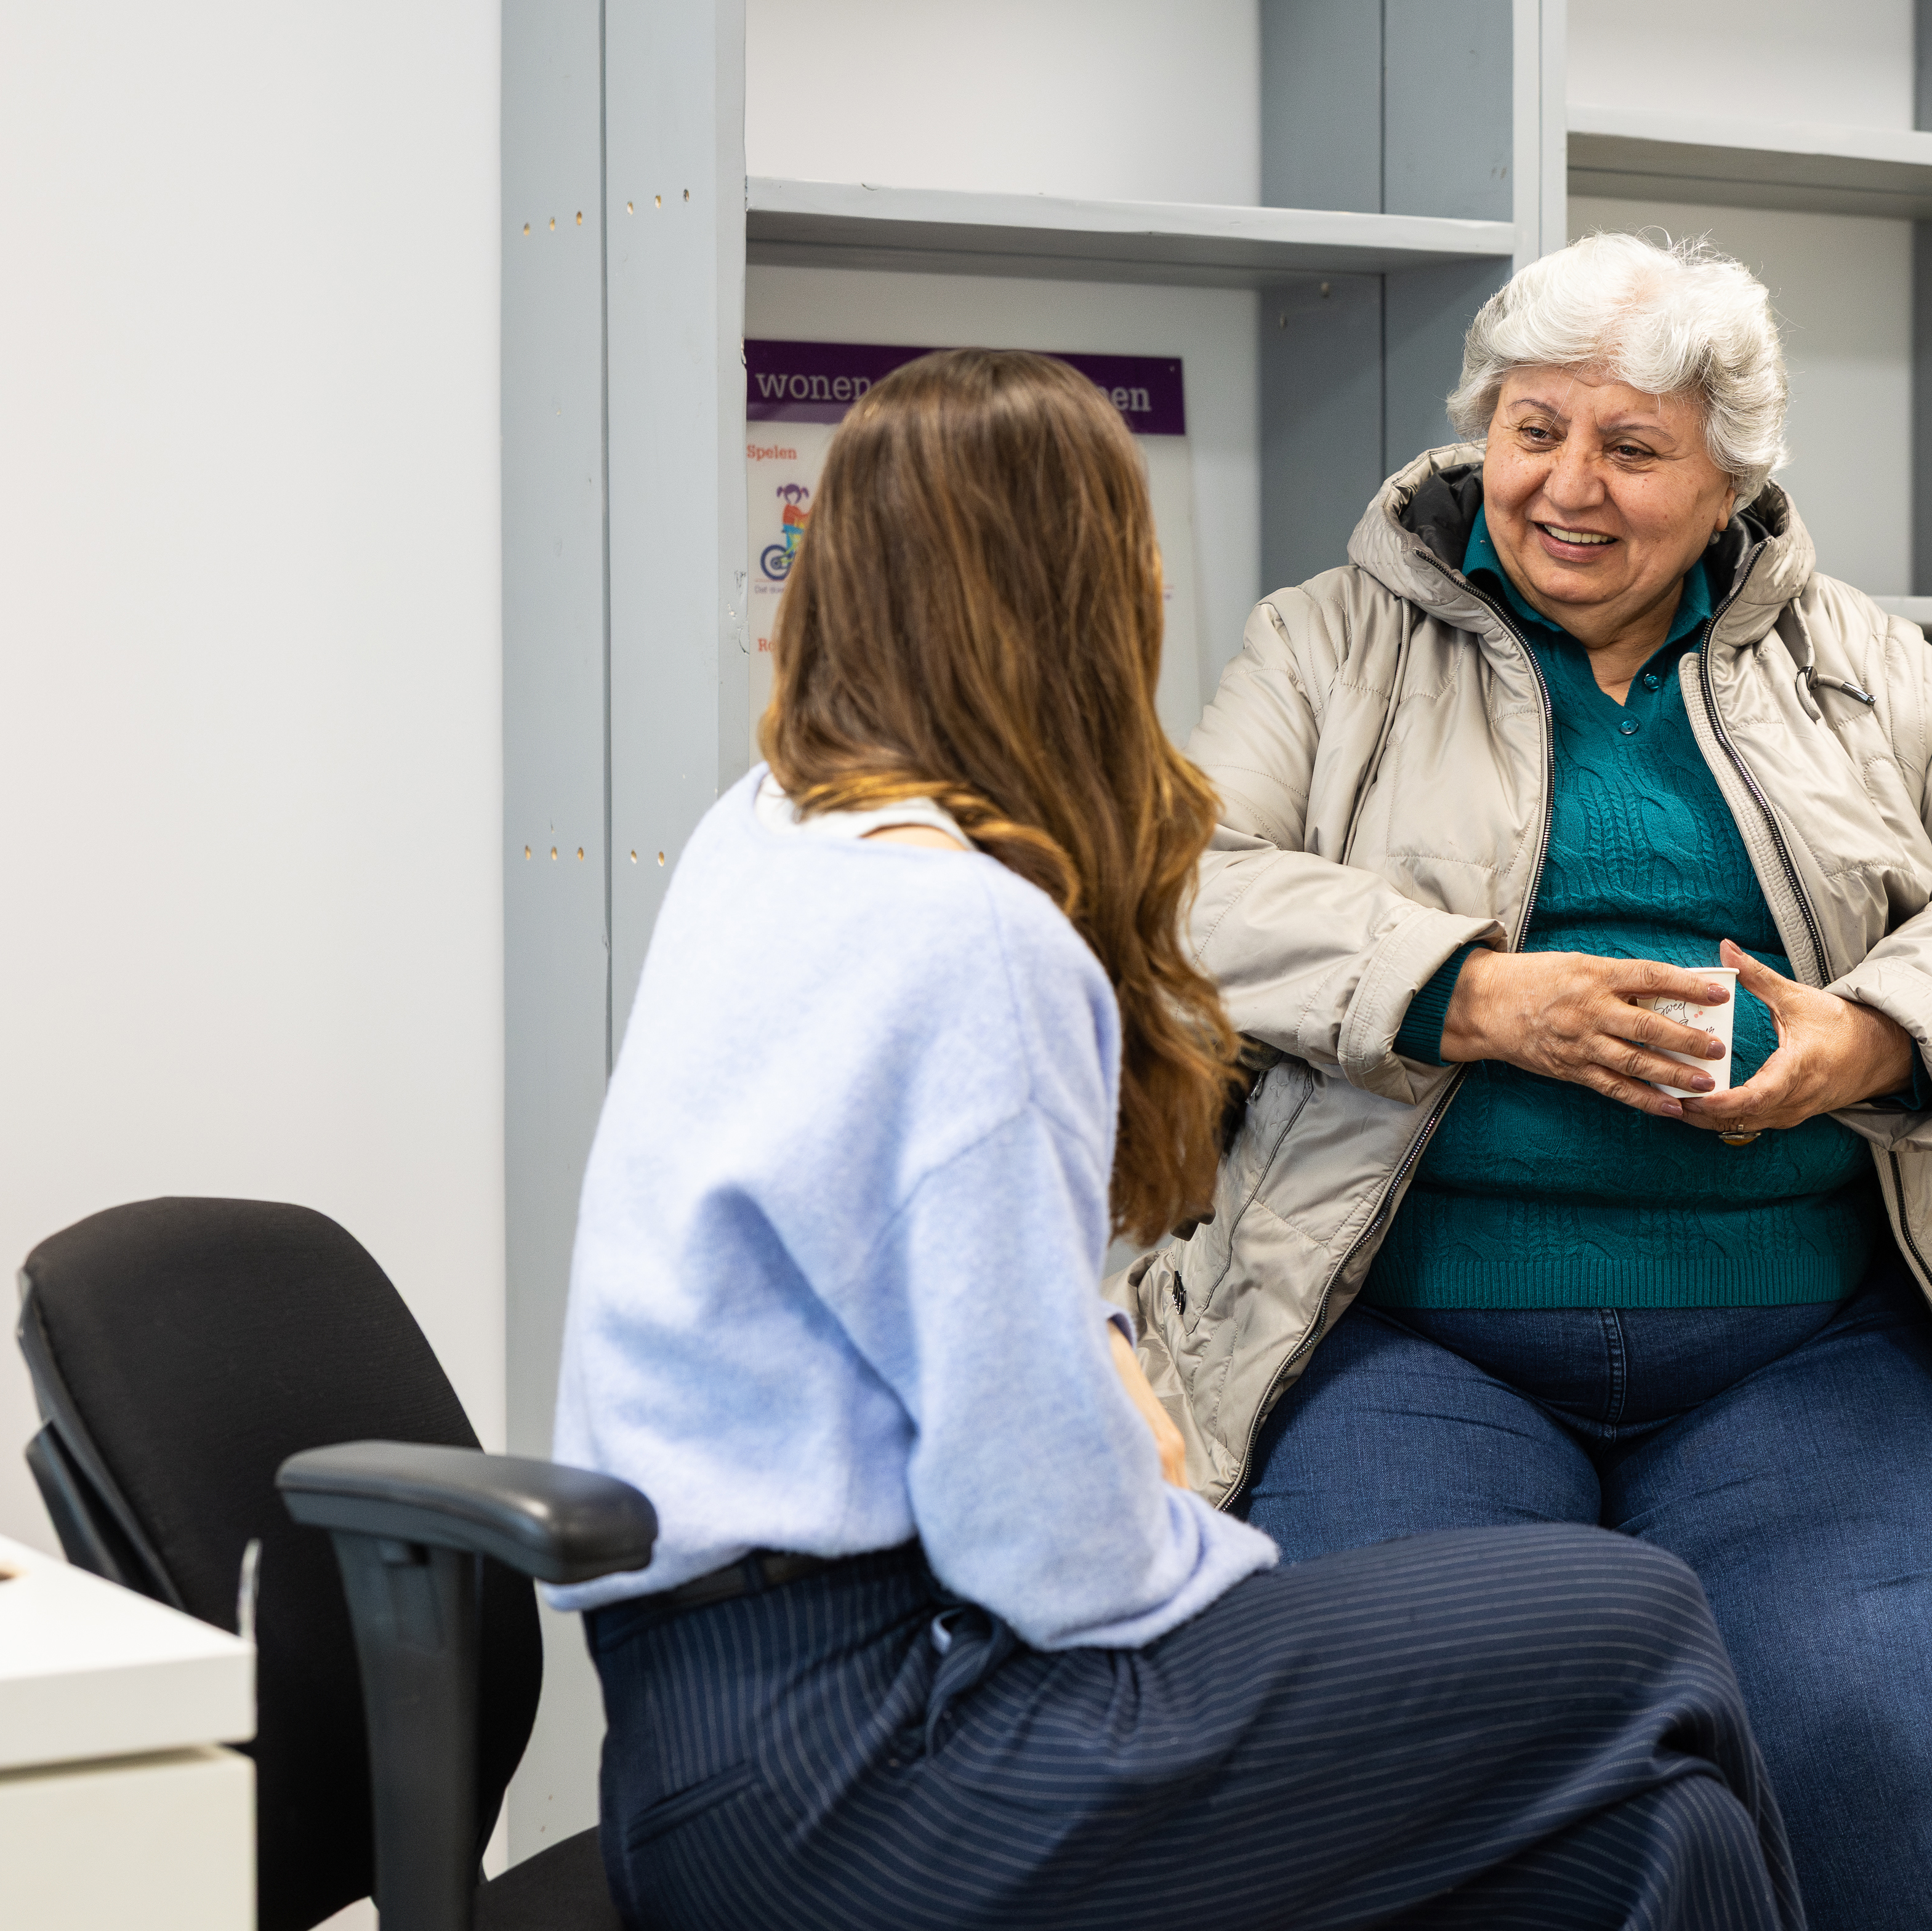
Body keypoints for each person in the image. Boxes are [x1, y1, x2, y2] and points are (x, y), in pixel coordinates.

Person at [546, 347, 1803, 1931]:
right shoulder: (970, 939)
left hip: (708, 1748)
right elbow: (1058, 1551)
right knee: (1644, 1613)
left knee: (1649, 1841)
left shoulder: (773, 830)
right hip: (885, 1763)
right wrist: (1238, 1570)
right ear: (1092, 600)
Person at [1114, 235, 1932, 1931]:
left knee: (1848, 1735)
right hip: (1411, 1334)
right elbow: (1181, 893)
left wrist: (1868, 1034)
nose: (1567, 487)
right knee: (1410, 1753)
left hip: (1793, 1349)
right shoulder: (1328, 643)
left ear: (1731, 475)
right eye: (1535, 430)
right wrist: (1463, 990)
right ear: (1483, 430)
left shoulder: (1858, 662)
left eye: (1633, 448)